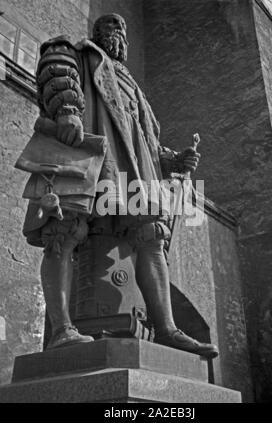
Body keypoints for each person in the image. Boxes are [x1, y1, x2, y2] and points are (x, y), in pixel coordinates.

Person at [22, 13, 218, 358]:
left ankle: (166, 329)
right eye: (112, 27)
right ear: (98, 33)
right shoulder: (82, 52)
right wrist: (66, 108)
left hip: (132, 166)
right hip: (87, 150)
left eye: (123, 29)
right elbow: (56, 63)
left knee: (151, 236)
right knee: (63, 230)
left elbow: (145, 135)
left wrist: (173, 160)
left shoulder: (135, 88)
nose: (120, 33)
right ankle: (62, 330)